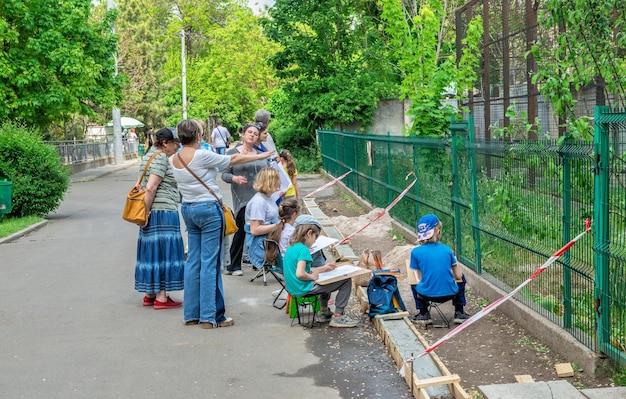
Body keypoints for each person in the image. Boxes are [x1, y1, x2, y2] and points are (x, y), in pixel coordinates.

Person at [171, 119, 274, 328]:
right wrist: (264, 155)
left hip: (188, 210)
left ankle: (191, 314)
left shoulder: (174, 158)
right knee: (211, 263)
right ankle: (212, 316)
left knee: (193, 262)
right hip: (209, 210)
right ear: (198, 136)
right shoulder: (202, 155)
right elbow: (232, 159)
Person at [135, 127, 185, 310]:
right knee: (165, 253)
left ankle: (150, 293)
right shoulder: (162, 158)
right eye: (174, 143)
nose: (177, 147)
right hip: (161, 212)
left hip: (153, 211)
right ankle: (162, 297)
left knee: (152, 252)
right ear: (165, 143)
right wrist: (147, 212)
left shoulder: (149, 155)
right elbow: (151, 187)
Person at [283, 215, 359, 328]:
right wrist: (313, 277)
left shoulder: (292, 247)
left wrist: (322, 269)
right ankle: (338, 316)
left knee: (325, 276)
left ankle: (323, 311)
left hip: (293, 288)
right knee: (346, 281)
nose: (315, 241)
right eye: (315, 237)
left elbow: (302, 269)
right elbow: (300, 273)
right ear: (309, 233)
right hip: (303, 288)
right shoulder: (304, 250)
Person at [221, 123, 269, 276]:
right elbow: (224, 175)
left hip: (259, 198)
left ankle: (259, 261)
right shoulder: (232, 153)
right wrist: (234, 178)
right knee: (241, 230)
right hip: (241, 198)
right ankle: (234, 265)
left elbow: (267, 172)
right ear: (243, 134)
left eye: (255, 133)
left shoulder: (259, 153)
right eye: (250, 132)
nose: (252, 135)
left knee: (259, 230)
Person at [409, 213, 470, 325]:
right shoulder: (447, 250)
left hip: (426, 294)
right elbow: (458, 276)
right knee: (462, 278)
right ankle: (459, 312)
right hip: (449, 293)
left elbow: (419, 278)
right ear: (437, 232)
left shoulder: (415, 252)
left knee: (413, 281)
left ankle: (424, 313)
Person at [244, 167, 282, 270]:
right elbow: (255, 230)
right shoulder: (259, 202)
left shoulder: (269, 198)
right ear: (270, 181)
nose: (280, 182)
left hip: (270, 238)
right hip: (261, 242)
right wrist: (278, 225)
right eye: (277, 179)